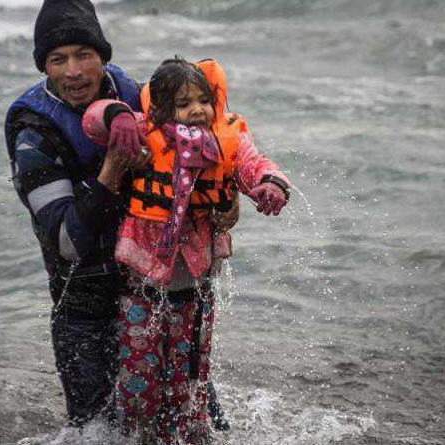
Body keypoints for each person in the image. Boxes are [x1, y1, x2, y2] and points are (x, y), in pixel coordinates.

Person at [3, 0, 233, 429]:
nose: (74, 70)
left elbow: (209, 154)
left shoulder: (139, 97)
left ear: (103, 57)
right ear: (45, 67)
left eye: (84, 55)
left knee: (200, 425)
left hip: (160, 291)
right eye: (58, 59)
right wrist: (113, 168)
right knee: (98, 433)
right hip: (86, 305)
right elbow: (68, 244)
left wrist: (226, 203)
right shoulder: (34, 133)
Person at [82, 57, 290, 444]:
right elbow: (91, 121)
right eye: (182, 104)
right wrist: (116, 115)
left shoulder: (224, 137)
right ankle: (137, 436)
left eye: (203, 100)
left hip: (196, 290)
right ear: (160, 110)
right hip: (142, 289)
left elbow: (252, 162)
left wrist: (270, 183)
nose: (196, 110)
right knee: (140, 381)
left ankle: (188, 435)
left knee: (191, 379)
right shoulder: (143, 136)